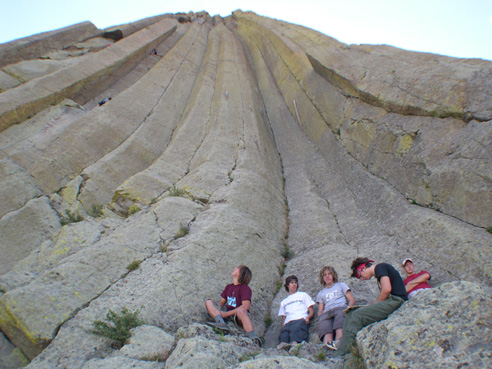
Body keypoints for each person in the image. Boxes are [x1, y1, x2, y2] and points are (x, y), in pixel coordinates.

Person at [335, 258, 408, 356]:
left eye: (360, 275)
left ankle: (342, 352)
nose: (362, 279)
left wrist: (375, 303)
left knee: (357, 315)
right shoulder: (379, 273)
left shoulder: (380, 267)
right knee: (350, 313)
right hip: (391, 300)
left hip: (396, 300)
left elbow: (386, 289)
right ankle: (344, 342)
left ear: (364, 268)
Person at [205, 265, 261, 346]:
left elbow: (246, 306)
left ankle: (253, 338)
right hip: (227, 313)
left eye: (237, 268)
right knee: (209, 302)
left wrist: (226, 314)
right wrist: (216, 308)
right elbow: (221, 304)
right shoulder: (229, 287)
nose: (234, 268)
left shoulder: (245, 288)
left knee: (241, 311)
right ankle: (220, 323)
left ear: (241, 273)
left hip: (238, 316)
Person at [316, 266, 355, 350]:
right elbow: (320, 310)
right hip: (326, 312)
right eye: (325, 275)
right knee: (326, 329)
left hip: (339, 308)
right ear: (322, 278)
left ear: (333, 275)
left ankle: (339, 343)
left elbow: (351, 299)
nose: (327, 276)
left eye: (329, 274)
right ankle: (327, 348)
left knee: (339, 325)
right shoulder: (321, 293)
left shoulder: (341, 285)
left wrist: (348, 309)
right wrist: (321, 318)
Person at [277, 275, 315, 350]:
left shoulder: (303, 295)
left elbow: (311, 311)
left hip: (300, 319)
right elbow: (283, 318)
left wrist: (307, 318)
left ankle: (295, 349)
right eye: (292, 282)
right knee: (283, 339)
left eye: (295, 282)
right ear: (287, 285)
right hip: (288, 323)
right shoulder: (284, 302)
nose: (294, 284)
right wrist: (283, 327)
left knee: (295, 338)